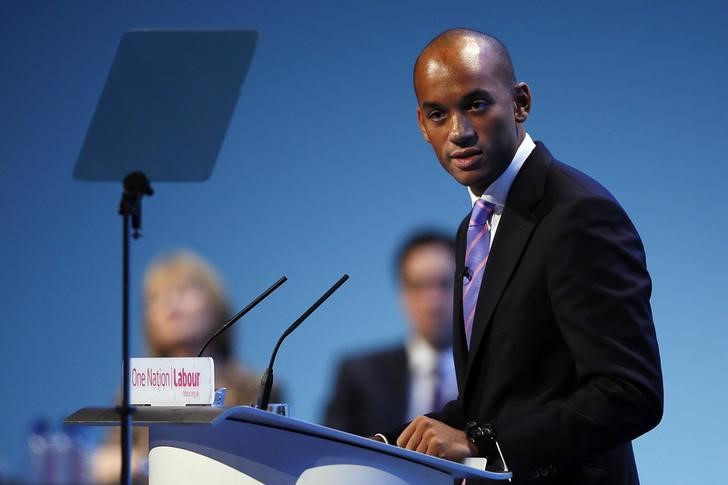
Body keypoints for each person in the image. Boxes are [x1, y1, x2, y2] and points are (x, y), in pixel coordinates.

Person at [378, 29, 663, 484]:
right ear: (421, 125)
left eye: (476, 104)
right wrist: (384, 445)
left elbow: (630, 393)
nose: (460, 132)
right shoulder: (474, 228)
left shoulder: (578, 214)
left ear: (520, 103)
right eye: (438, 113)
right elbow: (497, 398)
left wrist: (483, 444)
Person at [91, 250, 281, 484]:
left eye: (183, 291)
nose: (171, 304)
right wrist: (148, 464)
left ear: (215, 304)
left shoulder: (253, 386)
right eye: (157, 297)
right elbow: (103, 463)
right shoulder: (137, 390)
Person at [324, 231, 459, 436]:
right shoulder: (361, 376)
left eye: (444, 284)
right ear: (402, 296)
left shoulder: (491, 372)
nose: (433, 301)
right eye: (419, 286)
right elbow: (332, 454)